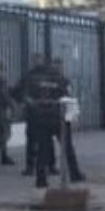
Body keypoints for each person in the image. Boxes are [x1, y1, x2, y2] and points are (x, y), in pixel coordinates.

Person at [23, 56, 70, 189]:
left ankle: (41, 179)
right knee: (63, 146)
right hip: (55, 118)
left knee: (42, 149)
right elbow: (66, 98)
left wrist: (35, 105)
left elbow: (27, 96)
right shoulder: (60, 80)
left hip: (40, 117)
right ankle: (65, 174)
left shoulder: (34, 79)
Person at [17, 55, 58, 177]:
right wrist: (25, 100)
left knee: (42, 140)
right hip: (39, 112)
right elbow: (19, 91)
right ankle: (39, 166)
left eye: (37, 60)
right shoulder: (31, 75)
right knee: (36, 140)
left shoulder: (38, 75)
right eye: (35, 60)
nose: (36, 62)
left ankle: (43, 166)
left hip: (41, 112)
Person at [52, 58, 86, 183]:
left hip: (48, 118)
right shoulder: (64, 81)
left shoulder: (47, 80)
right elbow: (69, 99)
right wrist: (72, 118)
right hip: (60, 119)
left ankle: (43, 177)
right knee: (67, 147)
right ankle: (74, 174)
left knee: (45, 147)